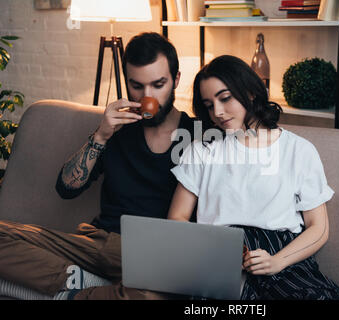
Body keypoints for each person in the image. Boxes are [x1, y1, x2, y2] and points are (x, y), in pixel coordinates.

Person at [0, 32, 195, 300]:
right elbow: (66, 188)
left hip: (151, 253)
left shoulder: (198, 135)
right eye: (136, 86)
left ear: (176, 80)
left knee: (158, 291)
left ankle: (76, 293)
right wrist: (101, 135)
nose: (147, 96)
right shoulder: (115, 130)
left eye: (158, 84)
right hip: (95, 242)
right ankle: (77, 281)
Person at [168, 55, 339, 300]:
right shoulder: (201, 150)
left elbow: (319, 228)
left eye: (225, 98)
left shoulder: (299, 150)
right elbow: (176, 218)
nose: (218, 113)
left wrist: (276, 262)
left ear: (251, 93)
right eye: (209, 105)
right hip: (218, 256)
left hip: (281, 257)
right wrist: (210, 250)